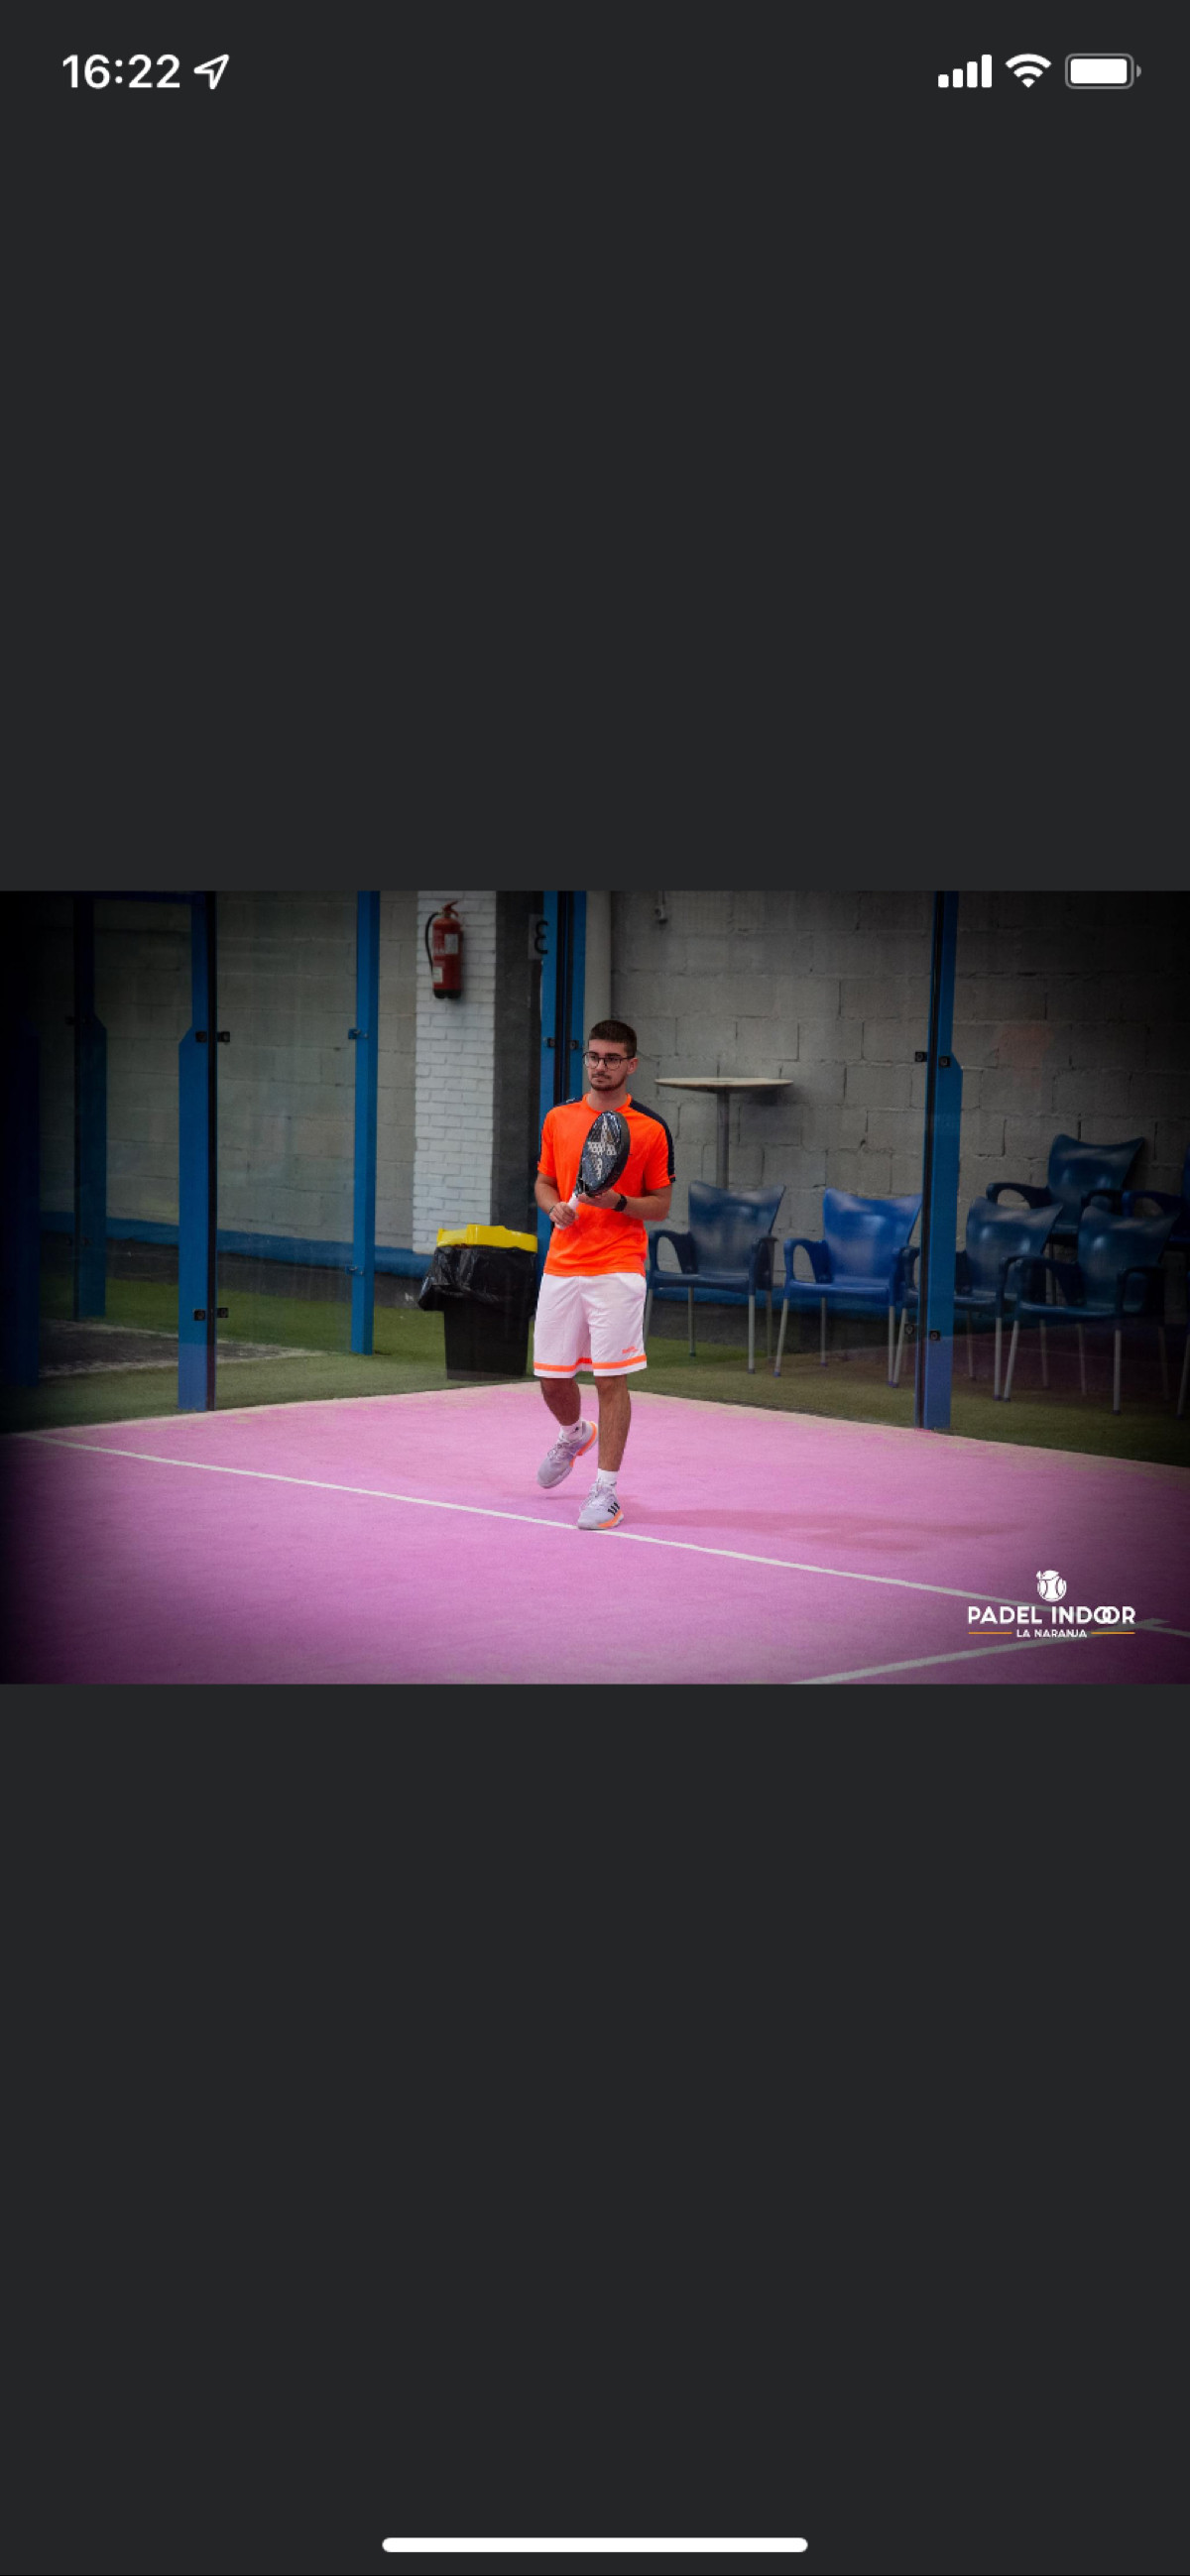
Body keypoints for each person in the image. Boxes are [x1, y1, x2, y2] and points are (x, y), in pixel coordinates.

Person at [533, 1020, 674, 1530]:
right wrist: (553, 1207)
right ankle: (575, 1433)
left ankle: (605, 1492)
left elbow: (660, 1205)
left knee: (610, 1380)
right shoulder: (558, 1119)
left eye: (612, 1058)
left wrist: (616, 1202)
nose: (600, 1066)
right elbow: (544, 1182)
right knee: (552, 1380)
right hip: (562, 1265)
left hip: (617, 1267)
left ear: (631, 1064)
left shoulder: (651, 1129)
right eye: (593, 1056)